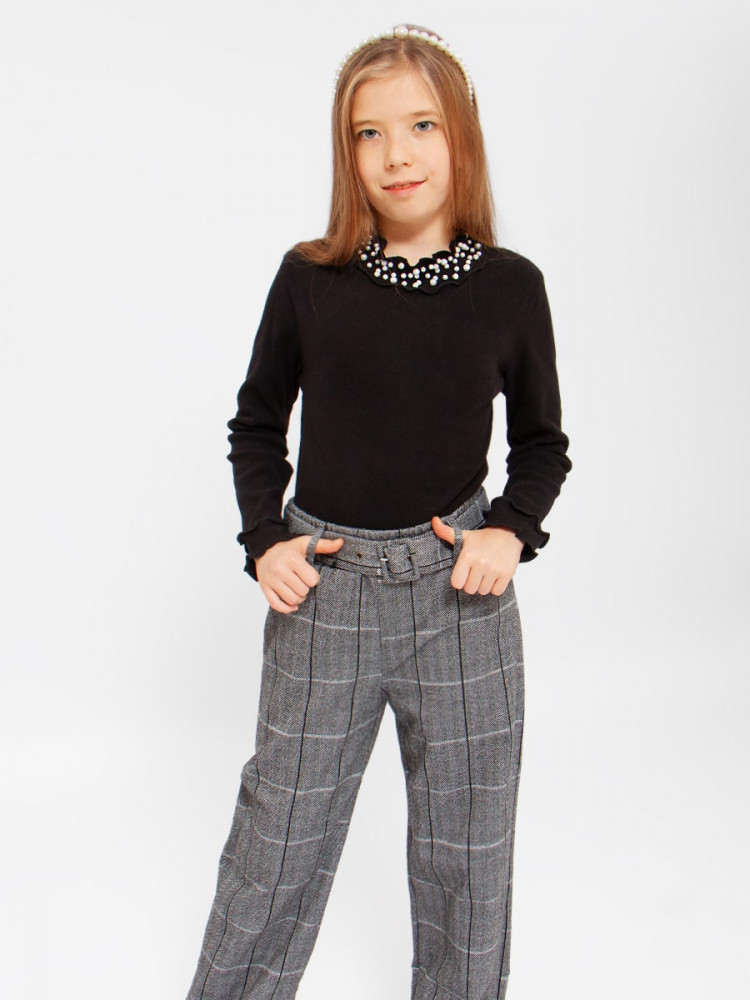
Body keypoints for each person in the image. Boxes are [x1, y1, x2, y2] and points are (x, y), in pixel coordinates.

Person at [185, 23, 572, 1000]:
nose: (397, 153)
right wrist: (264, 540)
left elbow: (542, 444)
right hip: (329, 598)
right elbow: (256, 423)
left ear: (461, 136)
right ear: (346, 150)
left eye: (421, 124)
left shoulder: (511, 288)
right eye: (369, 132)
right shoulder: (310, 279)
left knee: (467, 857)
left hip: (461, 605)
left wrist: (509, 529)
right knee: (278, 841)